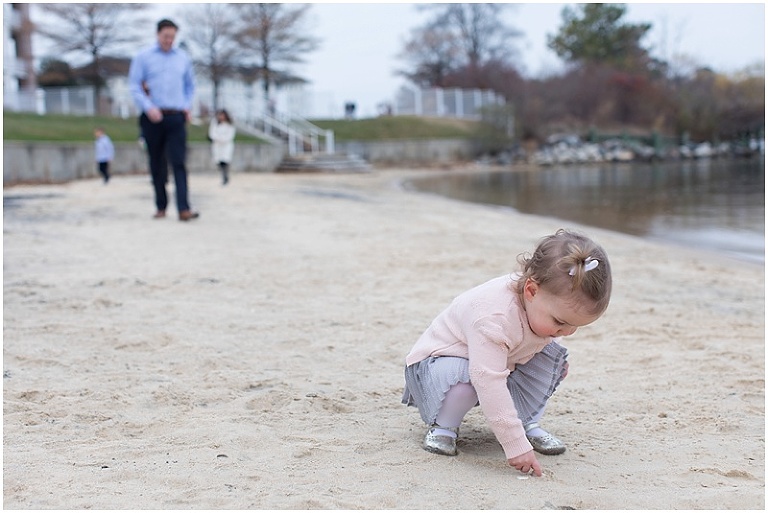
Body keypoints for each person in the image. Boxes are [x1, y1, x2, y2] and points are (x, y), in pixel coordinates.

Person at [402, 229, 612, 477]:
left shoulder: (541, 304)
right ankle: (444, 427)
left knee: (555, 361)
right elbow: (487, 378)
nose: (567, 332)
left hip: (497, 358)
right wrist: (515, 446)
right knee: (467, 383)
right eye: (560, 322)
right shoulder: (493, 317)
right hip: (440, 364)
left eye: (575, 326)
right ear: (531, 291)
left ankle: (526, 419)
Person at [128, 18, 198, 221]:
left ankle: (184, 208)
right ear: (158, 34)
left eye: (172, 37)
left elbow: (190, 86)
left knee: (179, 162)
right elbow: (134, 86)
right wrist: (149, 108)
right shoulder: (143, 57)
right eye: (166, 36)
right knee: (157, 163)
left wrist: (186, 105)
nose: (169, 40)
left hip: (176, 116)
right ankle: (161, 205)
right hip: (152, 118)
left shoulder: (183, 58)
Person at [208, 109, 236, 185]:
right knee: (219, 161)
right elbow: (212, 134)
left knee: (225, 161)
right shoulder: (215, 123)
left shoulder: (229, 125)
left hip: (226, 146)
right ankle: (223, 176)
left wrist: (221, 139)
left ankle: (225, 177)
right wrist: (218, 138)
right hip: (217, 145)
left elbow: (229, 136)